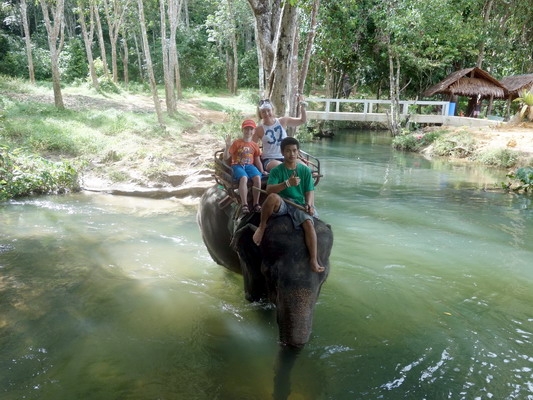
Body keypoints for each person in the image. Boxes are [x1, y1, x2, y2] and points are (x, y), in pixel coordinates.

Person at [252, 137, 325, 273]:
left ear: (298, 152)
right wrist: (287, 183)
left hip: (298, 204)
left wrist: (309, 204)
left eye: (294, 151)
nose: (291, 154)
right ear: (282, 152)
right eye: (288, 151)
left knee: (309, 224)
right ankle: (262, 228)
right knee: (272, 198)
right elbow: (269, 190)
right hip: (283, 202)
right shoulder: (277, 171)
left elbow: (309, 191)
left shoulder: (304, 171)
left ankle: (314, 259)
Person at [252, 96, 308, 172]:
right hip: (269, 159)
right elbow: (251, 147)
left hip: (286, 156)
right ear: (260, 114)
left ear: (272, 110)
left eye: (268, 110)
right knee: (283, 169)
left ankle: (302, 183)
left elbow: (302, 120)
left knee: (305, 168)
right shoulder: (259, 129)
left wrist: (302, 106)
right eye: (263, 112)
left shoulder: (282, 121)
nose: (266, 114)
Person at [224, 119, 266, 214]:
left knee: (258, 178)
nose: (248, 131)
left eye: (251, 129)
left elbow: (257, 160)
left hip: (249, 166)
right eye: (246, 129)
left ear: (254, 131)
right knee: (244, 178)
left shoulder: (255, 145)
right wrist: (227, 146)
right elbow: (226, 157)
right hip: (237, 165)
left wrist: (262, 170)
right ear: (242, 130)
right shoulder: (236, 143)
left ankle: (256, 203)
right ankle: (244, 204)